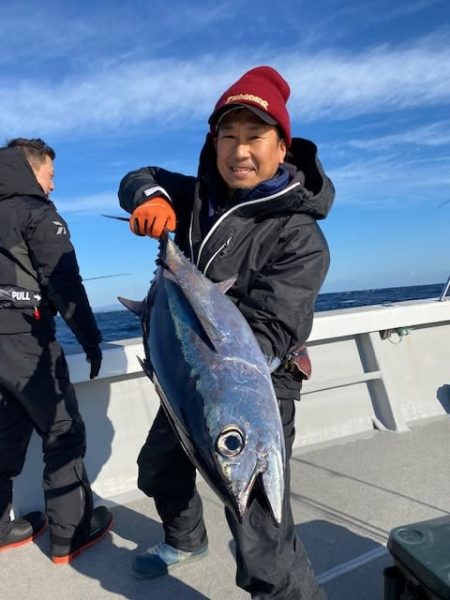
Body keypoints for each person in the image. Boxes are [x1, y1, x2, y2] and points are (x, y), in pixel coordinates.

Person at [118, 66, 334, 599]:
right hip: (189, 377)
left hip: (257, 387)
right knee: (157, 472)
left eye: (255, 136)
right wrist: (151, 196)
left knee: (263, 538)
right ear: (214, 143)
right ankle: (187, 539)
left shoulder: (298, 235)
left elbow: (274, 328)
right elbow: (135, 177)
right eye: (227, 136)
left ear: (282, 148)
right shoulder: (193, 195)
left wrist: (202, 326)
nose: (240, 151)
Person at [0, 138, 113, 563]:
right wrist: (90, 338)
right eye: (49, 177)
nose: (52, 187)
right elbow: (64, 283)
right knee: (63, 432)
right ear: (32, 172)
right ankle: (70, 535)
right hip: (26, 340)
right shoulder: (37, 213)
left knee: (4, 433)